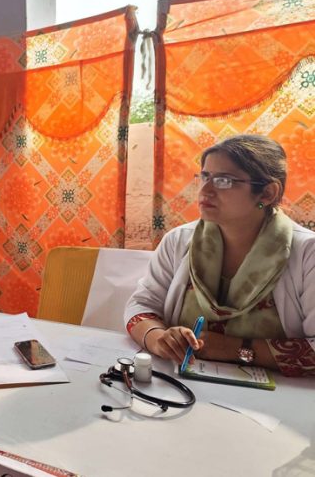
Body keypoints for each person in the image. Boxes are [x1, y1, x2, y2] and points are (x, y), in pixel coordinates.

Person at [125, 135, 315, 377]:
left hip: (278, 399)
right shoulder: (180, 240)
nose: (205, 190)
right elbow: (141, 305)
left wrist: (235, 350)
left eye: (224, 181)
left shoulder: (307, 253)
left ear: (267, 193)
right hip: (180, 384)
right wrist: (158, 337)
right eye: (204, 177)